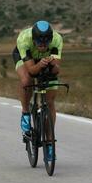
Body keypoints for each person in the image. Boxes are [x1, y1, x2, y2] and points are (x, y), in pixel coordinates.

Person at [12, 20, 63, 154]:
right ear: (34, 39)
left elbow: (56, 71)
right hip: (25, 59)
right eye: (39, 43)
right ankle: (25, 113)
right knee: (27, 81)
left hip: (44, 61)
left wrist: (52, 65)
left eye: (46, 43)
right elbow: (31, 71)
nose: (42, 46)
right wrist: (40, 65)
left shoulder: (57, 40)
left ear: (50, 40)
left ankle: (50, 142)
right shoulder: (24, 39)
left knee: (50, 102)